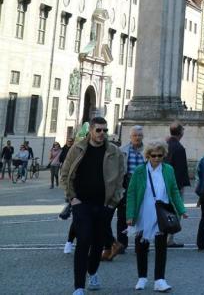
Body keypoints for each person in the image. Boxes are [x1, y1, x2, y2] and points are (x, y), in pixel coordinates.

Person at [60, 117, 125, 295]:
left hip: (104, 205)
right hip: (81, 203)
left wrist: (113, 203)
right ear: (91, 131)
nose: (102, 133)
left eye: (105, 130)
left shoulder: (114, 152)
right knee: (83, 241)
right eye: (99, 130)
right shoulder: (77, 148)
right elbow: (64, 174)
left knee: (98, 244)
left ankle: (93, 272)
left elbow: (120, 179)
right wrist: (72, 198)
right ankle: (79, 286)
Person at [125, 141, 186, 292]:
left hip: (161, 214)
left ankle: (160, 280)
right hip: (143, 213)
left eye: (160, 155)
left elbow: (174, 190)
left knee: (161, 247)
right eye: (153, 155)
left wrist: (181, 210)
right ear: (147, 155)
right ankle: (142, 277)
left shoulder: (168, 170)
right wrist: (130, 214)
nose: (157, 158)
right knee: (141, 247)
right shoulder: (139, 171)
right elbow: (131, 193)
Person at [104, 125, 145, 261]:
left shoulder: (147, 151)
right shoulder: (123, 150)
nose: (137, 137)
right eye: (135, 135)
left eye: (139, 135)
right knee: (122, 216)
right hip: (125, 185)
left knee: (140, 215)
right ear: (130, 137)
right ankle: (122, 243)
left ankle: (141, 244)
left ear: (142, 136)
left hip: (140, 187)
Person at [165, 123, 189, 248]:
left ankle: (164, 236)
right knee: (175, 211)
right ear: (181, 133)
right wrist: (180, 186)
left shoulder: (165, 145)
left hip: (163, 183)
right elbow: (180, 170)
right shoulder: (179, 148)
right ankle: (169, 238)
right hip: (175, 185)